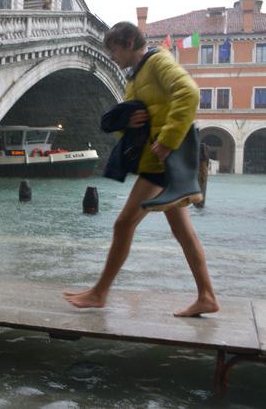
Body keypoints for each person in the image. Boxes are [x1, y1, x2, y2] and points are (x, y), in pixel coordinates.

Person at [63, 22, 219, 317]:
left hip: (161, 164)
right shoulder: (134, 79)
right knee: (184, 233)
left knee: (123, 225)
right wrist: (128, 124)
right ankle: (207, 296)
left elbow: (189, 93)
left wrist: (168, 140)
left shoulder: (158, 61)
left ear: (131, 42)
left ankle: (99, 293)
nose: (111, 57)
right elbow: (143, 119)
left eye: (114, 49)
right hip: (157, 163)